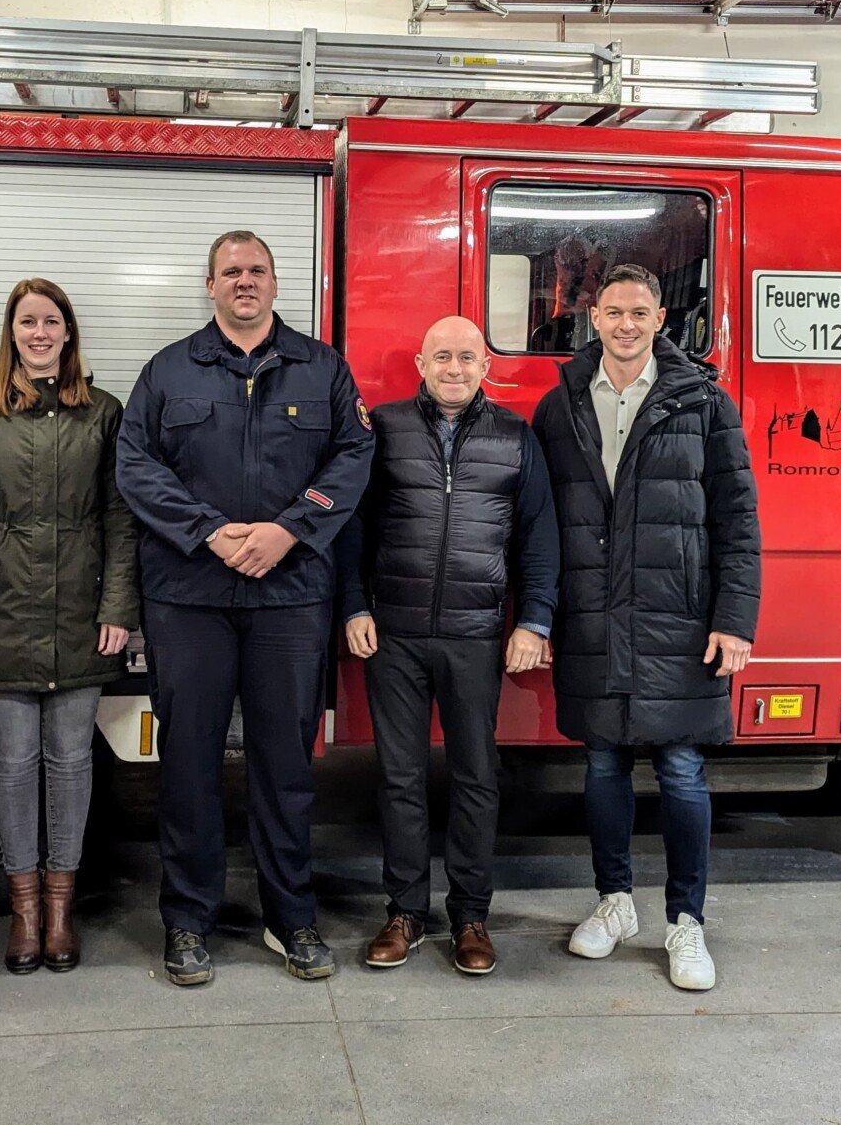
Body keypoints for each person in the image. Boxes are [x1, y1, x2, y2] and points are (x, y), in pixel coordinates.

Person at [117, 230, 373, 986]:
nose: (244, 281)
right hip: (188, 596)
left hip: (290, 598)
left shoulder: (322, 367)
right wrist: (211, 533)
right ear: (209, 285)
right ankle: (187, 921)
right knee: (189, 763)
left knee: (285, 767)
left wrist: (286, 529)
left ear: (274, 281)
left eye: (256, 270)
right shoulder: (168, 369)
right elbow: (134, 464)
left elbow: (353, 459)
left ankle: (289, 917)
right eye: (231, 271)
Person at [529, 264, 760, 992]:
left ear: (661, 317)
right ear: (592, 318)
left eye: (640, 311)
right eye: (613, 312)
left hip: (677, 618)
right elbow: (538, 520)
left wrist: (734, 618)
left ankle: (686, 921)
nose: (626, 324)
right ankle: (615, 902)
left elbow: (738, 518)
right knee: (601, 766)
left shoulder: (704, 403)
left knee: (682, 769)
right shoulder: (558, 404)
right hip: (595, 613)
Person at [337, 316, 558, 976]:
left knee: (474, 776)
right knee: (400, 777)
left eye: (467, 356)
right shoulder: (385, 427)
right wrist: (353, 604)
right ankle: (405, 911)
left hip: (475, 634)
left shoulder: (517, 436)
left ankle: (470, 915)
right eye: (443, 356)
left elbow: (539, 537)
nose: (456, 367)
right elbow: (353, 525)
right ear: (421, 361)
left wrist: (535, 620)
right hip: (395, 634)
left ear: (485, 364)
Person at [0, 278, 138, 975]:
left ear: (69, 331)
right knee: (14, 765)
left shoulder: (104, 412)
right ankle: (23, 910)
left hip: (82, 615)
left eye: (52, 320)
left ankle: (60, 910)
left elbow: (121, 517)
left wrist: (118, 607)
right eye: (28, 321)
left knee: (73, 763)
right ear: (12, 331)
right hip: (1, 617)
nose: (40, 332)